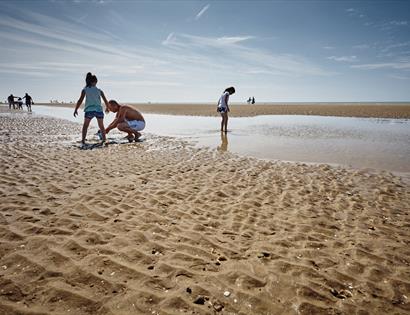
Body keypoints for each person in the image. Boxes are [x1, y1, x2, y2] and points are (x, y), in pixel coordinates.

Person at [73, 72, 109, 145]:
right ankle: (104, 140)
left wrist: (76, 109)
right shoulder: (99, 90)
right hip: (99, 110)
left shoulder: (85, 90)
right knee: (101, 126)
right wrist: (107, 108)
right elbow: (105, 100)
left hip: (89, 110)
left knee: (85, 126)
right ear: (95, 82)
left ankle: (83, 140)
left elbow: (80, 100)